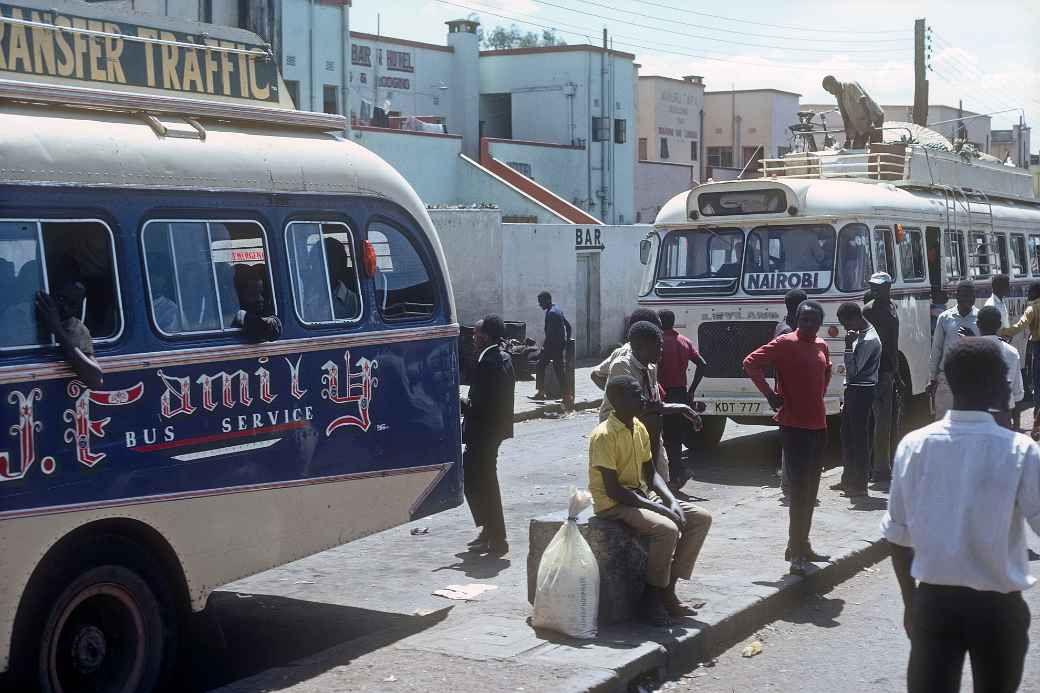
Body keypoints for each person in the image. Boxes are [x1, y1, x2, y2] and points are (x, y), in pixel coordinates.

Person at [881, 339, 1039, 693]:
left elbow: (897, 536)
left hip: (934, 604)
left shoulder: (914, 445)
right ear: (991, 385)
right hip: (999, 610)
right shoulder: (1020, 450)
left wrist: (912, 603)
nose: (1008, 385)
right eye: (1004, 378)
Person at [589, 374, 713, 626]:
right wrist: (657, 508)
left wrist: (671, 500)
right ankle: (650, 599)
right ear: (617, 400)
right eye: (636, 393)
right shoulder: (604, 435)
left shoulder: (639, 427)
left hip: (641, 494)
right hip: (615, 504)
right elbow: (614, 490)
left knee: (700, 519)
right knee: (666, 529)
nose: (643, 397)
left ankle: (668, 590)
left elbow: (651, 473)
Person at [743, 301, 832, 576]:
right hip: (793, 427)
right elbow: (750, 363)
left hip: (818, 426)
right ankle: (795, 553)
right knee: (799, 491)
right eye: (803, 319)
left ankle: (802, 544)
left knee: (812, 490)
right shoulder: (784, 343)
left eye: (813, 320)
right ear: (796, 319)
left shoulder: (821, 345)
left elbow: (825, 374)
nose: (808, 324)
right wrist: (771, 395)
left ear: (819, 322)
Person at [591, 321, 703, 488]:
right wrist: (682, 408)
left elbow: (654, 402)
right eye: (658, 346)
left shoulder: (650, 366)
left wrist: (678, 409)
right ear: (642, 347)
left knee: (660, 468)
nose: (662, 351)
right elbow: (641, 405)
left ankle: (662, 494)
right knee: (633, 478)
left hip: (645, 425)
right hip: (620, 428)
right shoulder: (623, 364)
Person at [461, 315, 516, 555]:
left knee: (483, 483)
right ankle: (488, 530)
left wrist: (458, 401)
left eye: (476, 334)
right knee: (477, 479)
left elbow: (479, 404)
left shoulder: (489, 363)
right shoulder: (501, 357)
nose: (473, 338)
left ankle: (497, 536)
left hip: (483, 433)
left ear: (486, 337)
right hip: (492, 432)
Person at [833, 302, 881, 500]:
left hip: (862, 391)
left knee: (859, 439)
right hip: (854, 390)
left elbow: (854, 371)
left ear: (854, 318)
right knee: (847, 436)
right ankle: (848, 479)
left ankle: (860, 485)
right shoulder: (862, 334)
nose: (844, 327)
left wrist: (846, 347)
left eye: (845, 323)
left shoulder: (868, 339)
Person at [657, 310, 708, 492]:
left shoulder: (658, 343)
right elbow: (702, 364)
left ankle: (677, 473)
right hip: (681, 392)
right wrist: (692, 390)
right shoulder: (684, 341)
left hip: (663, 393)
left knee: (663, 436)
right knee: (675, 437)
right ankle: (677, 473)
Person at [862, 272, 900, 485]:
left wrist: (896, 371)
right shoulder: (869, 311)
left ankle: (880, 467)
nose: (875, 290)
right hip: (875, 372)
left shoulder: (892, 307)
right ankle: (878, 470)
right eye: (872, 286)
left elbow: (893, 342)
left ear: (888, 287)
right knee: (876, 423)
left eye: (879, 286)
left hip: (889, 371)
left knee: (886, 422)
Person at [773, 289, 809, 497]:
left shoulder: (787, 326)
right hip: (790, 392)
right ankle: (789, 484)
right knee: (793, 438)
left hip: (794, 391)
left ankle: (791, 481)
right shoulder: (786, 332)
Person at [35, 281, 103, 388]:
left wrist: (57, 330)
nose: (65, 308)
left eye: (73, 305)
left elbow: (95, 380)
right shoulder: (20, 313)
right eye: (61, 299)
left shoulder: (75, 327)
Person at [928, 281, 978, 420]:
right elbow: (937, 348)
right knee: (944, 421)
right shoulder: (945, 318)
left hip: (971, 378)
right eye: (966, 296)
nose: (970, 299)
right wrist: (932, 378)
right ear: (957, 296)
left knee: (968, 422)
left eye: (972, 296)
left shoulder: (980, 318)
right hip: (947, 378)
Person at [1000, 281, 1040, 433]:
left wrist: (1000, 332)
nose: (1028, 294)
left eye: (1030, 292)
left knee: (1037, 382)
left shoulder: (1032, 309)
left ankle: (1037, 419)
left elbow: (1018, 327)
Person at [979, 306, 1024, 429]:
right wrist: (1017, 427)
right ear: (999, 325)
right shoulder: (1012, 352)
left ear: (978, 324)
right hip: (1003, 417)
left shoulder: (968, 352)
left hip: (976, 417)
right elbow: (1017, 393)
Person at [822, 75, 884, 148]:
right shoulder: (838, 96)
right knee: (857, 147)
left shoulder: (850, 85)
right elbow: (845, 117)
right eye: (829, 92)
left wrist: (870, 122)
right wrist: (847, 138)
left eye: (830, 90)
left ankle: (875, 156)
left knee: (875, 146)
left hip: (874, 117)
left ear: (834, 83)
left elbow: (863, 101)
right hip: (861, 122)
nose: (831, 93)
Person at [530, 291, 571, 401]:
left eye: (541, 302)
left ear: (547, 300)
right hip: (558, 345)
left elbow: (550, 335)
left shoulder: (552, 313)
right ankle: (566, 395)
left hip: (553, 346)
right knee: (557, 370)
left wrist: (543, 349)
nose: (539, 304)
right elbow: (568, 326)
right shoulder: (557, 309)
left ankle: (541, 393)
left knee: (542, 366)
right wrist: (566, 342)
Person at [233, 265, 282, 341]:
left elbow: (274, 330)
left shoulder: (265, 309)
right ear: (239, 296)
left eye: (261, 293)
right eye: (253, 294)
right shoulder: (236, 314)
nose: (260, 299)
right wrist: (244, 317)